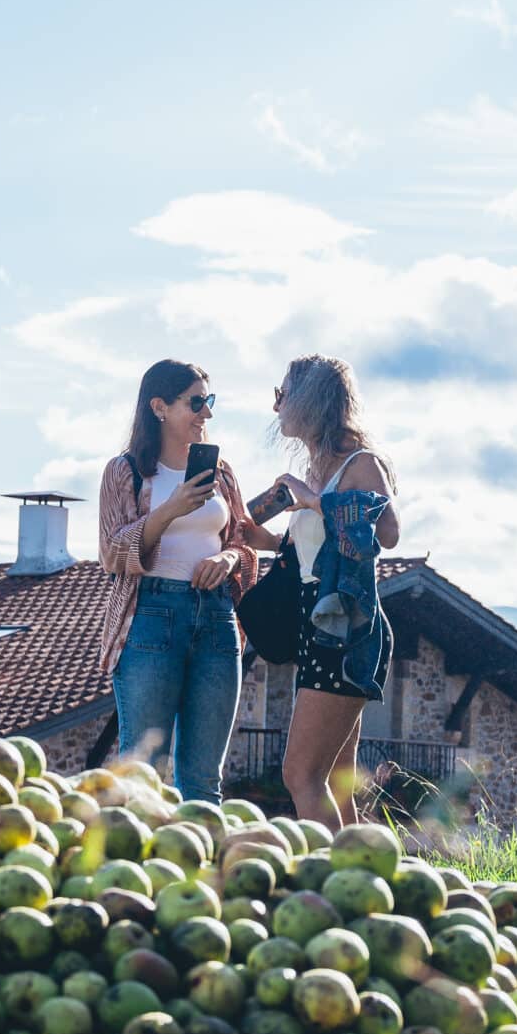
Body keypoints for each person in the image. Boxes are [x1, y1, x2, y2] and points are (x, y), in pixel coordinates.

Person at [96, 360, 261, 803]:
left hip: (217, 617)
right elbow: (112, 554)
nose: (206, 413)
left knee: (205, 777)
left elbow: (244, 543)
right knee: (143, 772)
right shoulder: (125, 471)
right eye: (196, 402)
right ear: (159, 407)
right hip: (149, 616)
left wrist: (228, 559)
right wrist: (171, 508)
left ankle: (204, 869)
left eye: (210, 401)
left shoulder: (221, 472)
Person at [255, 354, 401, 829]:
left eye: (282, 394)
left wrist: (310, 497)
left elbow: (388, 532)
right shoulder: (319, 466)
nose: (276, 406)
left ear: (309, 400)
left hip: (346, 633)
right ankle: (370, 881)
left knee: (300, 774)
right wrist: (266, 541)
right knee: (336, 781)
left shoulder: (361, 463)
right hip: (323, 630)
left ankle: (329, 885)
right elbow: (322, 550)